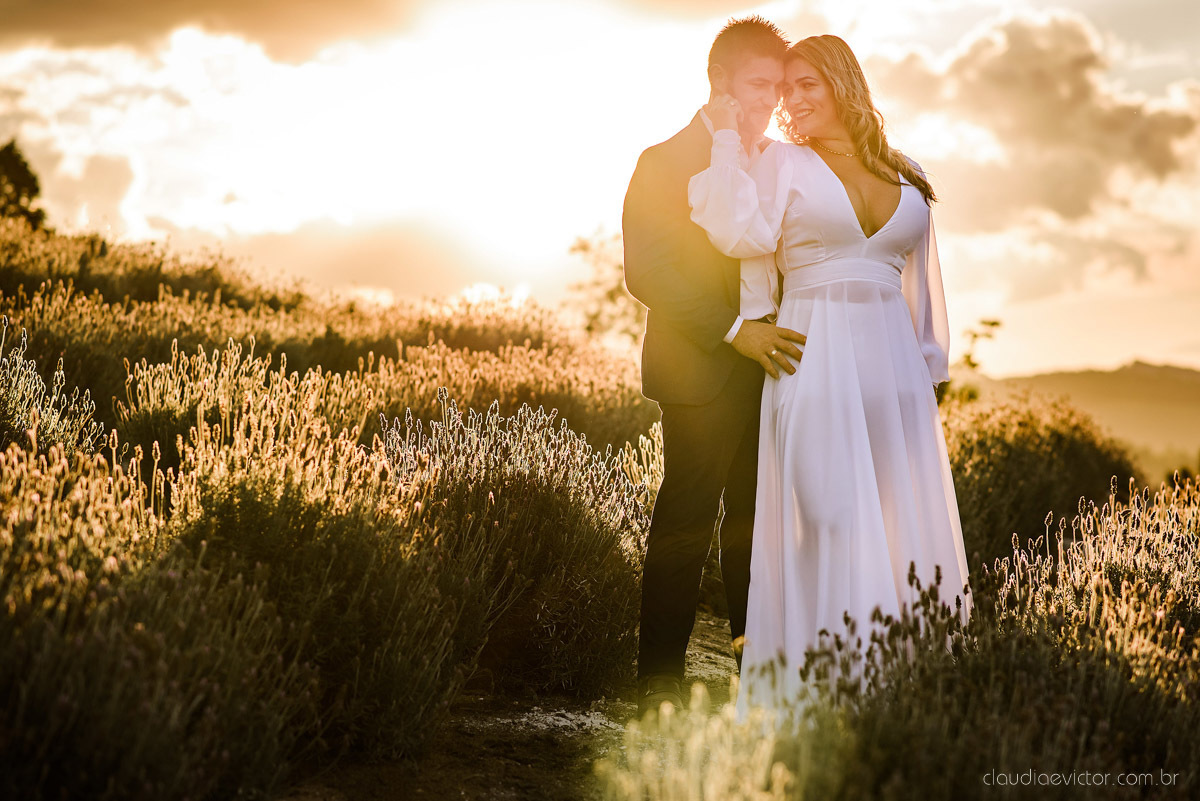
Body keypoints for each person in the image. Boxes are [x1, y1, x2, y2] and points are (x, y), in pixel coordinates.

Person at [688, 34, 972, 716]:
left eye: (807, 85)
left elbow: (922, 290)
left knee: (898, 523)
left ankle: (896, 691)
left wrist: (926, 373)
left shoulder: (909, 172)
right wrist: (728, 137)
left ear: (845, 85)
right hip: (810, 361)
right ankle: (819, 692)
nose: (793, 100)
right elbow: (734, 231)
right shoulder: (781, 162)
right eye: (785, 90)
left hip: (895, 376)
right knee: (826, 517)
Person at [621, 16, 807, 718]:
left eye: (778, 88)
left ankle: (753, 677)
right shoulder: (664, 160)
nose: (768, 100)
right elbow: (650, 272)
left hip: (777, 373)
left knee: (757, 527)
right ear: (718, 81)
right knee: (685, 524)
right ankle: (658, 683)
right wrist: (736, 332)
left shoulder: (785, 160)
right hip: (702, 371)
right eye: (758, 84)